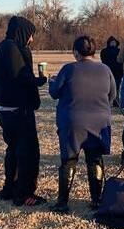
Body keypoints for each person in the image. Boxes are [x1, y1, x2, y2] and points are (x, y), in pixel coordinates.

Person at [48, 36, 117, 213]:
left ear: (76, 52)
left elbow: (55, 93)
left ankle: (63, 202)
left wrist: (51, 82)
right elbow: (112, 95)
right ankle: (96, 199)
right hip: (99, 121)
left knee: (69, 160)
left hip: (72, 121)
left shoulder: (68, 69)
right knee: (95, 159)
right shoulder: (105, 69)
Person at [0, 16, 47, 206]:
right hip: (18, 109)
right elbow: (21, 77)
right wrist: (40, 80)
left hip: (5, 109)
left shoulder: (0, 47)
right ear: (23, 32)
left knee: (13, 150)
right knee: (27, 152)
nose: (31, 40)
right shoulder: (12, 49)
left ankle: (9, 188)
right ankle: (24, 193)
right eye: (30, 35)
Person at [100, 36, 122, 106]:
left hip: (117, 72)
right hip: (108, 71)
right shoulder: (104, 51)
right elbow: (103, 60)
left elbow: (121, 61)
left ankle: (116, 102)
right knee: (107, 88)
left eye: (114, 42)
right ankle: (107, 101)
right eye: (111, 42)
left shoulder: (119, 51)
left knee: (117, 88)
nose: (113, 43)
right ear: (109, 43)